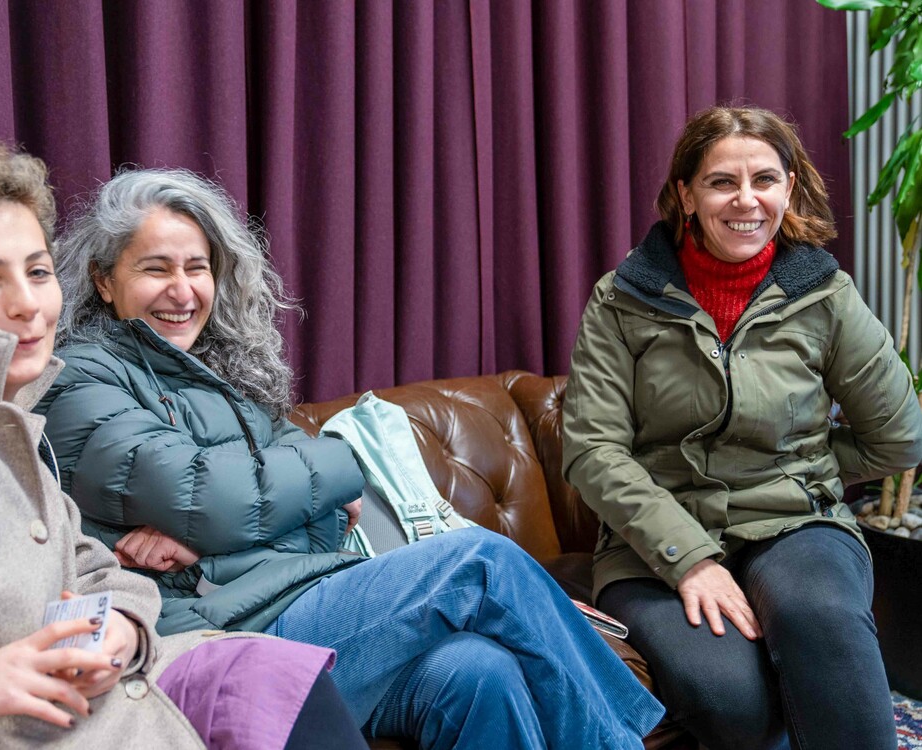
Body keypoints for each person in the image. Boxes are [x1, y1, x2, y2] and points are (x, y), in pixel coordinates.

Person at [35, 167, 666, 750]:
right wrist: (328, 466)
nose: (182, 291)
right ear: (103, 279)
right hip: (225, 636)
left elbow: (326, 518)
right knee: (481, 562)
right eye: (155, 269)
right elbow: (219, 498)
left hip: (305, 596)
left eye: (197, 268)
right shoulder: (81, 380)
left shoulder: (218, 379)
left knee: (480, 672)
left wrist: (218, 531)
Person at [0, 140, 368, 750]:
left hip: (129, 716)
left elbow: (97, 571)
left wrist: (121, 626)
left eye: (37, 272)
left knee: (280, 676)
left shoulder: (14, 430)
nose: (28, 304)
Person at [562, 105, 922, 750]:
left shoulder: (825, 294)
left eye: (765, 180)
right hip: (653, 545)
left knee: (820, 616)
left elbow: (898, 436)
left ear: (790, 187)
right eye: (722, 182)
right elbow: (593, 450)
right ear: (686, 195)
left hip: (794, 523)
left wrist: (799, 467)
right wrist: (689, 559)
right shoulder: (621, 299)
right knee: (731, 699)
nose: (746, 201)